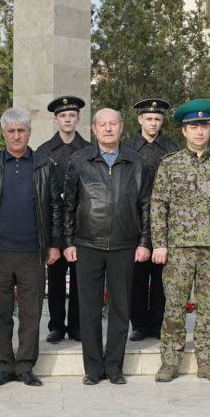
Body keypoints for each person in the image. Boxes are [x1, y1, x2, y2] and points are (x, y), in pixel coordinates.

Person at [0, 108, 61, 387]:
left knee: (31, 312)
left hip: (33, 252)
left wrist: (55, 244)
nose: (17, 136)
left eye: (22, 131)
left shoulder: (44, 165)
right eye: (11, 131)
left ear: (29, 133)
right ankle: (4, 366)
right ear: (3, 133)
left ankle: (25, 366)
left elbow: (55, 207)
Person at [150, 99, 210, 383]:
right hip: (178, 249)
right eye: (193, 127)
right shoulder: (170, 164)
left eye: (203, 126)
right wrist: (159, 243)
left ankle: (206, 362)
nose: (199, 132)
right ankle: (169, 361)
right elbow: (158, 205)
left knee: (209, 309)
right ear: (184, 131)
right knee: (174, 306)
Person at [59, 108, 152, 385]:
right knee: (88, 309)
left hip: (125, 245)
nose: (108, 129)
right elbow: (68, 206)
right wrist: (67, 242)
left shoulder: (136, 162)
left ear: (122, 128)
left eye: (113, 124)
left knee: (121, 308)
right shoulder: (79, 161)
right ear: (94, 130)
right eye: (103, 125)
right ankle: (93, 368)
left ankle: (114, 367)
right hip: (88, 244)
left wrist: (144, 242)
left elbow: (146, 205)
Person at [36, 96, 89, 344]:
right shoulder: (44, 152)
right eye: (63, 116)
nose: (67, 120)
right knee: (56, 278)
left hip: (82, 223)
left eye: (72, 115)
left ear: (78, 119)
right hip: (54, 224)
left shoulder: (88, 150)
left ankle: (77, 325)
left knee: (80, 278)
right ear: (55, 119)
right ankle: (56, 325)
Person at [127, 98, 179, 341]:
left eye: (157, 119)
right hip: (135, 221)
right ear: (140, 120)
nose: (153, 123)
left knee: (161, 279)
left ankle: (158, 322)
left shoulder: (171, 148)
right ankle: (138, 324)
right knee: (136, 278)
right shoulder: (128, 149)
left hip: (166, 221)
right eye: (149, 118)